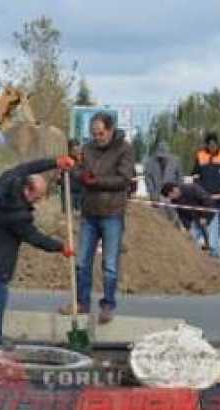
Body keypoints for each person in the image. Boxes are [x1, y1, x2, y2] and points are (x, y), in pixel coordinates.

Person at [0, 156, 77, 351]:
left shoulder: (9, 179)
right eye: (38, 197)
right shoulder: (16, 214)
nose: (40, 201)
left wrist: (55, 162)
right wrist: (60, 247)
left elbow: (29, 164)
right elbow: (34, 237)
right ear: (28, 190)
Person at [60, 113, 135, 325]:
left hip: (112, 212)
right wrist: (74, 171)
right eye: (93, 134)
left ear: (110, 131)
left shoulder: (125, 149)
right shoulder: (88, 149)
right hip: (89, 213)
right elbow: (80, 171)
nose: (97, 137)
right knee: (82, 261)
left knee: (110, 264)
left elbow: (124, 179)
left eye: (100, 133)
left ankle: (108, 305)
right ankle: (81, 303)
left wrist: (96, 181)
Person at [192, 132, 220, 253]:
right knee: (205, 221)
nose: (212, 147)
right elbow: (195, 174)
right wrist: (199, 188)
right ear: (206, 145)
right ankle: (209, 244)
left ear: (217, 144)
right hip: (205, 197)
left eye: (214, 144)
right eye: (209, 144)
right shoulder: (200, 155)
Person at [161, 181, 220, 257]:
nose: (170, 199)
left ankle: (214, 256)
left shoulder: (191, 188)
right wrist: (188, 228)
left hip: (210, 214)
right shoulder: (174, 201)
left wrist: (204, 216)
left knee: (213, 242)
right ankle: (194, 257)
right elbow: (182, 215)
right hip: (196, 219)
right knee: (189, 240)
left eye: (170, 196)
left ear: (174, 190)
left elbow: (207, 200)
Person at [144, 141, 181, 222]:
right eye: (160, 157)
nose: (162, 159)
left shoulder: (176, 161)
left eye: (164, 157)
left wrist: (176, 194)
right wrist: (152, 195)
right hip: (156, 196)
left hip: (171, 197)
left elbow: (180, 179)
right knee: (158, 221)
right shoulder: (150, 162)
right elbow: (148, 180)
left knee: (173, 220)